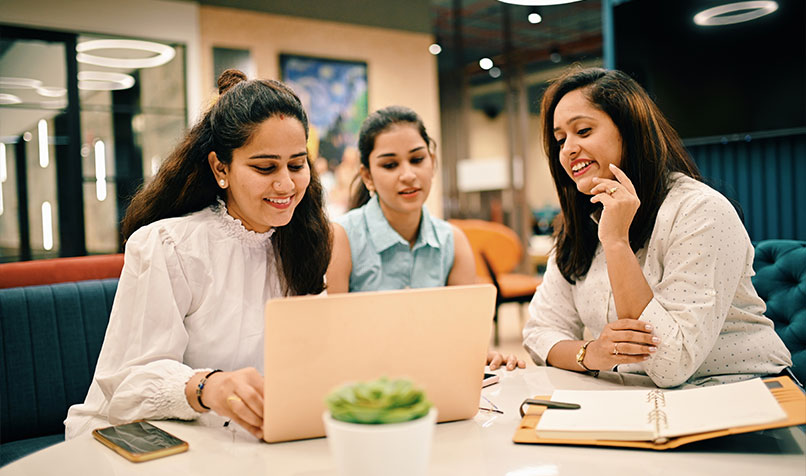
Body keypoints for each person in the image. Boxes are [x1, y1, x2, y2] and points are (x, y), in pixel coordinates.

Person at [65, 69, 331, 440]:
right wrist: (208, 387)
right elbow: (127, 387)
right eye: (265, 167)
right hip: (142, 437)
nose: (286, 184)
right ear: (220, 168)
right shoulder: (169, 245)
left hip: (250, 439)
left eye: (297, 164)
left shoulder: (304, 242)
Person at [522, 67, 791, 388]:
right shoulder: (578, 225)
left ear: (629, 130)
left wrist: (616, 242)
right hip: (641, 397)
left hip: (744, 390)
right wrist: (590, 353)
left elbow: (670, 364)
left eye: (582, 131)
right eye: (560, 139)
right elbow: (539, 332)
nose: (567, 150)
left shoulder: (701, 210)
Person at [326, 105, 525, 371]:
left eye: (417, 160)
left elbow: (464, 339)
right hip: (365, 389)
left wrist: (485, 357)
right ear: (367, 176)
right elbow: (331, 340)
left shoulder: (453, 241)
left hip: (437, 384)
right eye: (390, 165)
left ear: (433, 163)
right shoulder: (342, 237)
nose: (408, 175)